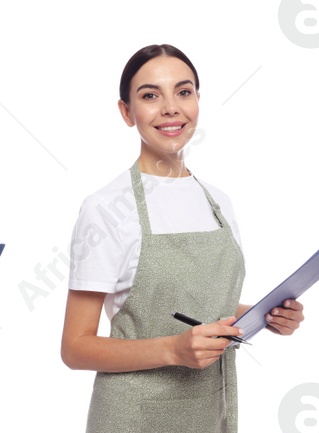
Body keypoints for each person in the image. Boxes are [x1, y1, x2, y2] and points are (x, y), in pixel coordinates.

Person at [59, 44, 305, 433]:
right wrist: (173, 349)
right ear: (126, 112)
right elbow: (75, 347)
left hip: (212, 409)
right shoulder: (105, 208)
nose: (171, 107)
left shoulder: (218, 202)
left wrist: (263, 313)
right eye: (150, 95)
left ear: (198, 102)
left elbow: (197, 303)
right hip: (133, 417)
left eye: (183, 92)